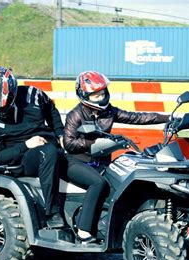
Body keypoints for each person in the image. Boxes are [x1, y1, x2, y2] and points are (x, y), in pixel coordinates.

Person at [63, 71, 170, 243]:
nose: (101, 97)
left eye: (102, 92)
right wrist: (94, 143)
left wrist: (168, 118)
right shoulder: (76, 115)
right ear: (84, 95)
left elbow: (137, 118)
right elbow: (68, 143)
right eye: (95, 94)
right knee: (98, 183)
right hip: (76, 162)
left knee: (124, 181)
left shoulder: (109, 111)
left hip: (101, 162)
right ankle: (83, 230)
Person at [0, 66, 65, 228]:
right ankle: (52, 213)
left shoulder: (33, 95)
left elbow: (51, 110)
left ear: (13, 92)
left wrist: (61, 134)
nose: (1, 109)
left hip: (50, 147)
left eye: (4, 105)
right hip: (22, 159)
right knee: (48, 153)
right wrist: (26, 145)